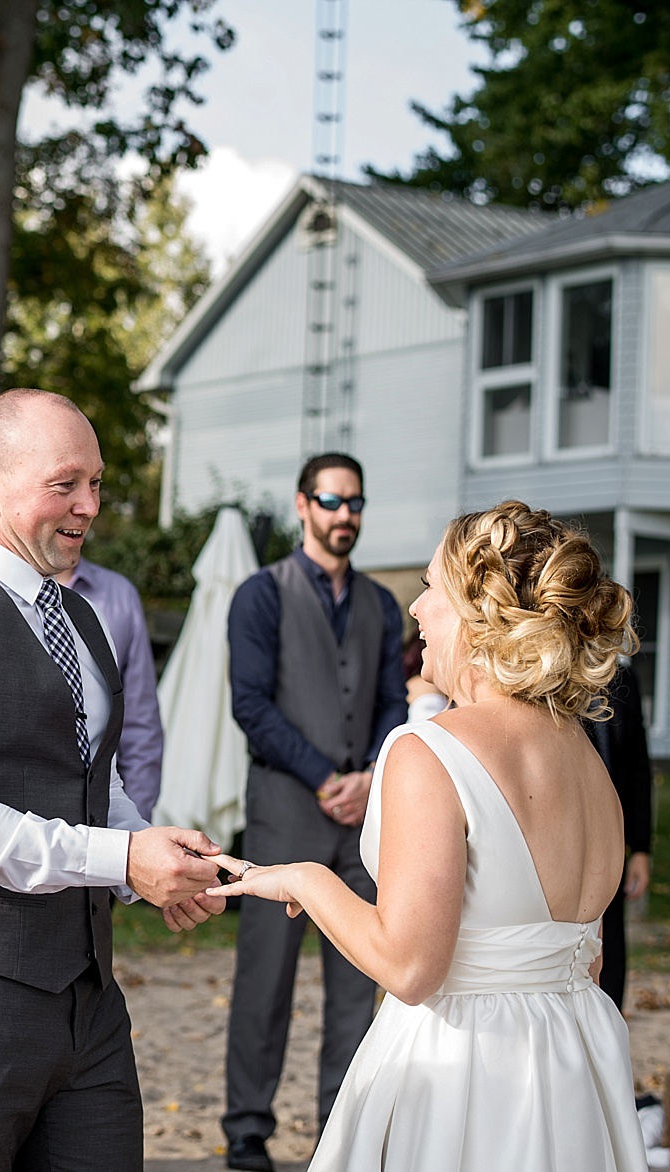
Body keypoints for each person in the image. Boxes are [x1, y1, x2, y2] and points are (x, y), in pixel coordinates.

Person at [211, 500, 645, 1171]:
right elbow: (582, 960)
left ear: (477, 616)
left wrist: (305, 879)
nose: (415, 611)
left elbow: (411, 969)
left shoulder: (426, 751)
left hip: (466, 1073)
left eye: (429, 590)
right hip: (575, 1064)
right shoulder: (584, 756)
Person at [0, 388, 225, 1172]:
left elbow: (95, 777)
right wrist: (117, 860)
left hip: (87, 1003)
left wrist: (154, 860)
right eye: (65, 484)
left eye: (96, 483)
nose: (89, 505)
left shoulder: (81, 616)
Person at [221, 452, 408, 1172]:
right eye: (331, 501)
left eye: (355, 502)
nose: (344, 515)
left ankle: (341, 1124)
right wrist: (326, 775)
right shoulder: (258, 595)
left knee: (357, 981)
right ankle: (245, 1129)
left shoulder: (381, 604)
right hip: (283, 813)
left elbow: (394, 700)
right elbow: (250, 705)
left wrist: (368, 777)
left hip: (363, 820)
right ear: (302, 506)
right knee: (263, 979)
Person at [58, 556, 165, 818]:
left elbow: (140, 720)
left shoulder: (119, 594)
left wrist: (136, 824)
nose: (86, 512)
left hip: (105, 810)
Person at [592, 658, 654, 1009]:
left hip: (610, 843)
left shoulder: (620, 677)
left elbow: (636, 766)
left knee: (610, 958)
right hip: (555, 841)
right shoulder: (541, 670)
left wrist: (641, 848)